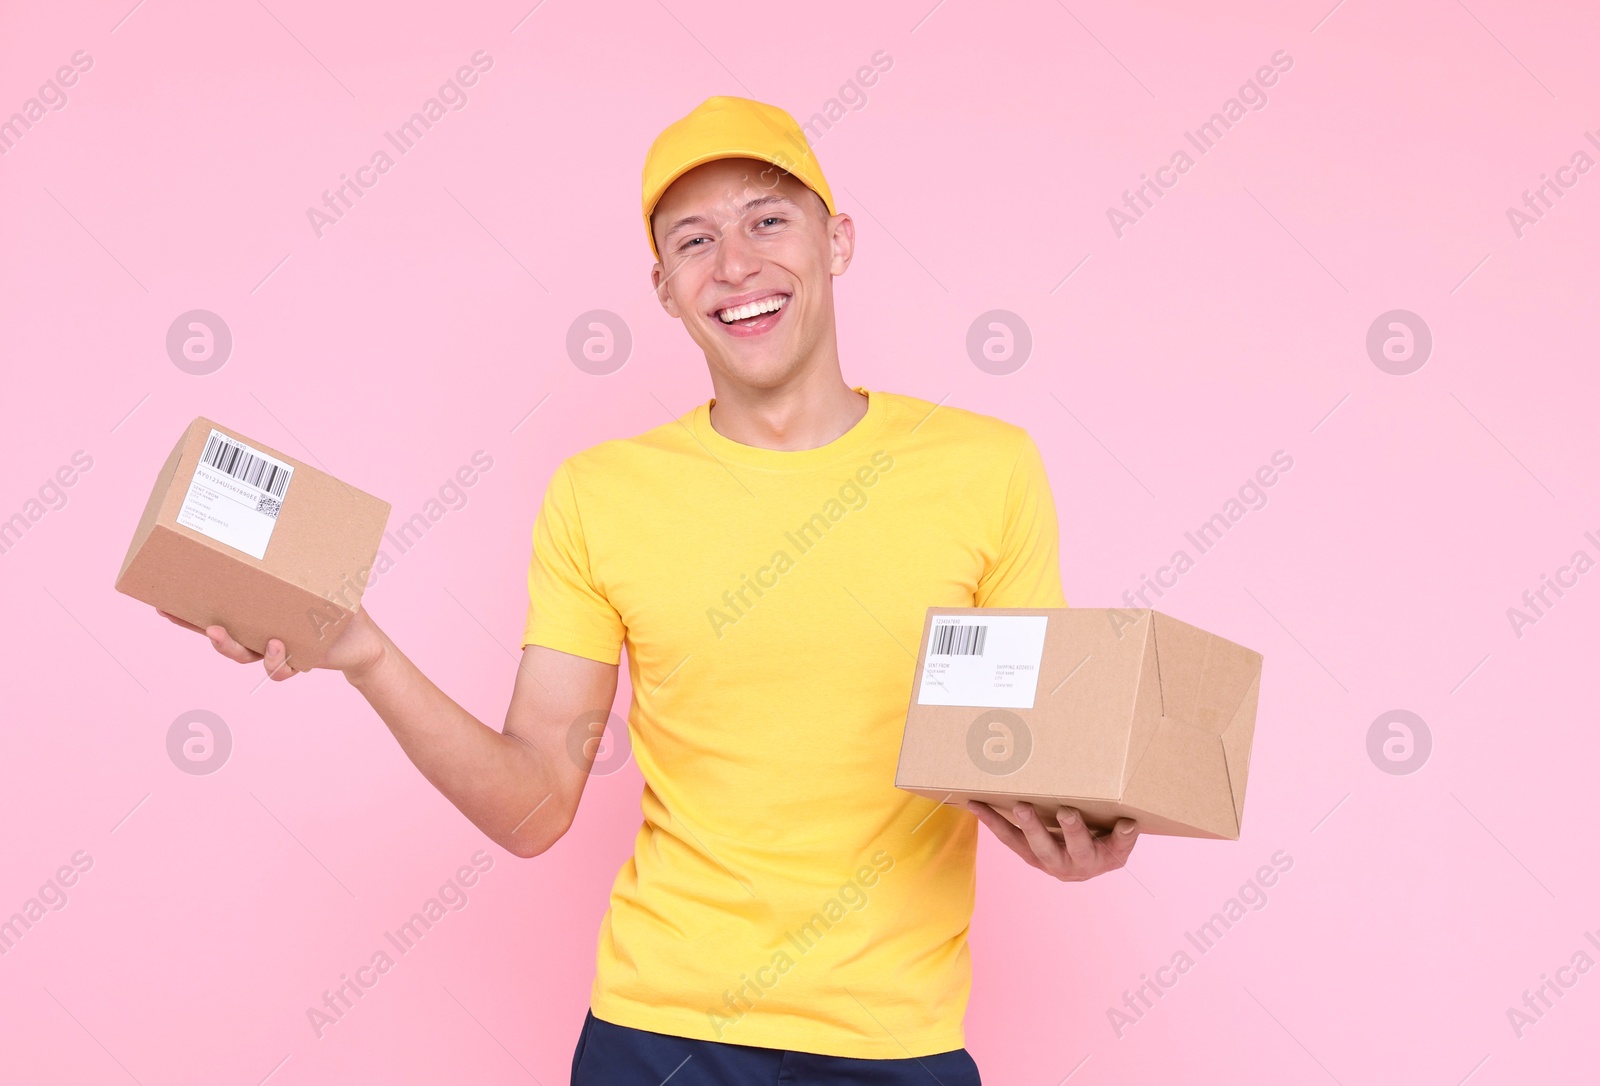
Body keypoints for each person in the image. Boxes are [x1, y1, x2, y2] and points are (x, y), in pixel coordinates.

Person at [161, 95, 1139, 1085]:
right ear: (666, 288)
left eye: (767, 219)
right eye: (694, 240)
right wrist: (360, 651)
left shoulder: (985, 468)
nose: (736, 266)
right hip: (660, 1040)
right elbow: (536, 804)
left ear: (835, 241)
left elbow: (1026, 753)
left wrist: (1073, 836)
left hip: (898, 1045)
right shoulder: (600, 495)